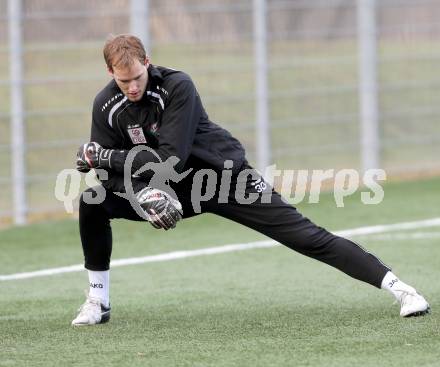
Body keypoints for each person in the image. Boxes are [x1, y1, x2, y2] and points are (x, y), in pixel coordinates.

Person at [72, 34, 430, 326]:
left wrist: (107, 158)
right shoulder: (106, 105)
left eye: (137, 77)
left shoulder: (177, 85)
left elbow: (169, 158)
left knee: (306, 237)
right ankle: (98, 302)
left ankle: (402, 290)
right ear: (110, 73)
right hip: (167, 188)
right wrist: (138, 189)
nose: (132, 87)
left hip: (222, 177)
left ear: (147, 63)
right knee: (92, 202)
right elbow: (105, 173)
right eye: (123, 80)